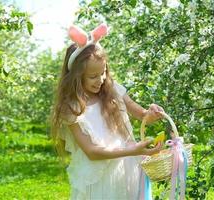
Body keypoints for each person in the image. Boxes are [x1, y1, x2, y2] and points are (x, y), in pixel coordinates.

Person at [50, 23, 164, 199]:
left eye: (103, 72)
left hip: (125, 171)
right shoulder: (72, 108)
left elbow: (142, 115)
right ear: (76, 77)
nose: (101, 80)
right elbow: (92, 152)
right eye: (92, 76)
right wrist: (133, 151)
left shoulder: (114, 91)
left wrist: (152, 113)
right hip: (98, 179)